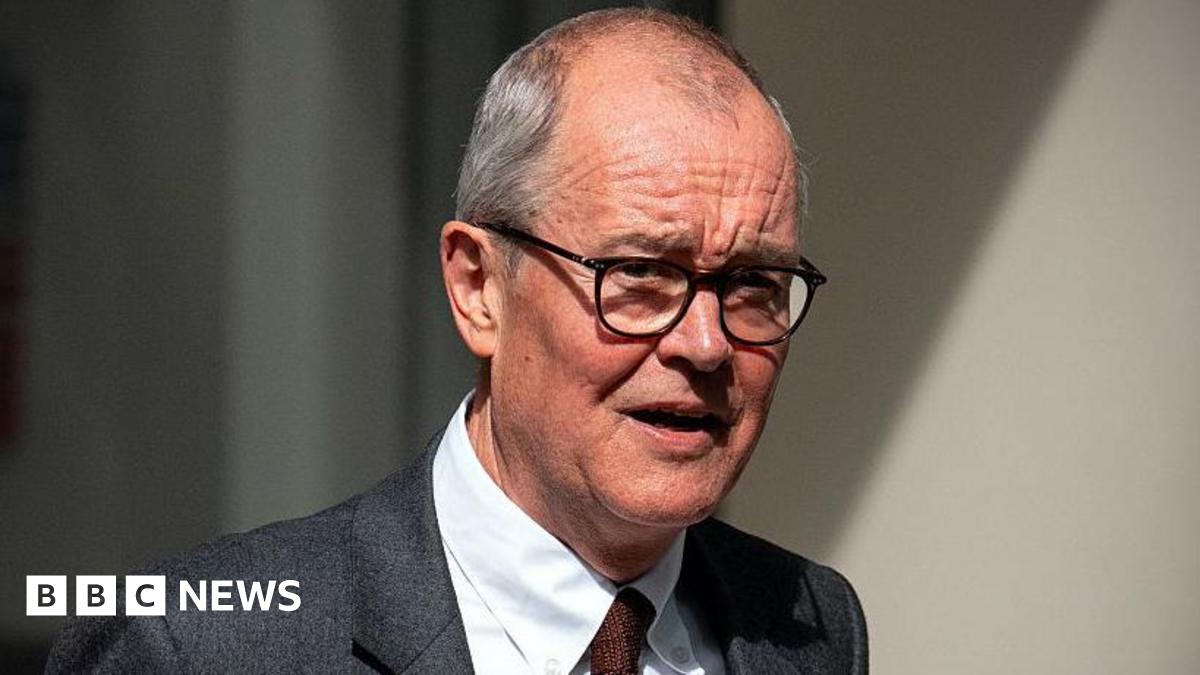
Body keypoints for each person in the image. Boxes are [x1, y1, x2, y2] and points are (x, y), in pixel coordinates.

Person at [47, 8, 866, 674]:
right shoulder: (197, 646)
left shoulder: (808, 624)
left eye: (753, 284)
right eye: (641, 275)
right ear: (479, 288)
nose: (706, 343)